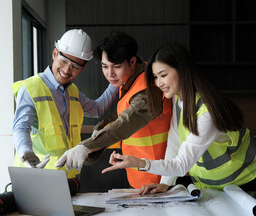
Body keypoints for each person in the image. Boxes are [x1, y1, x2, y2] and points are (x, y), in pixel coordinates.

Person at [102, 42, 256, 195]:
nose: (159, 83)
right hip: (216, 185)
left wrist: (139, 163)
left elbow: (182, 165)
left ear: (182, 70)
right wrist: (165, 183)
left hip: (247, 179)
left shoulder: (207, 113)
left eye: (163, 75)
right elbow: (174, 141)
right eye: (155, 77)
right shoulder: (178, 99)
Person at [55, 31, 172, 189]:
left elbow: (126, 122)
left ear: (132, 62)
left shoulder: (149, 89)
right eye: (104, 66)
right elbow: (120, 113)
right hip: (142, 175)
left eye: (116, 66)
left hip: (162, 178)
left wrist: (87, 146)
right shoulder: (130, 78)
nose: (110, 74)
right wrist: (98, 133)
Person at [12, 29, 118, 179]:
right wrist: (25, 151)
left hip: (67, 178)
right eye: (64, 61)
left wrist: (117, 80)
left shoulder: (72, 91)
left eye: (75, 66)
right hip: (35, 176)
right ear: (55, 54)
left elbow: (97, 109)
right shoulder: (31, 88)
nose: (67, 70)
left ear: (83, 68)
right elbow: (20, 127)